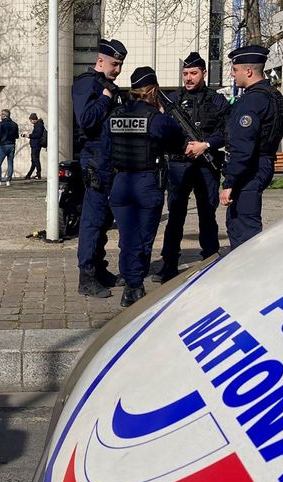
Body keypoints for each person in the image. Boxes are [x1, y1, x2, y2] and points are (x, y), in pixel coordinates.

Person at [108, 66, 186, 307]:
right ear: (153, 91)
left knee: (127, 237)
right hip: (146, 183)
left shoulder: (115, 115)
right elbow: (178, 140)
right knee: (143, 238)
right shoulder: (156, 119)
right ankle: (134, 286)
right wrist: (163, 113)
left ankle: (131, 282)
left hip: (120, 183)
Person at [153, 52, 229, 283]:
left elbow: (226, 132)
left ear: (204, 74)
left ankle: (210, 259)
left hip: (207, 165)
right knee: (176, 214)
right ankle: (169, 264)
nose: (188, 78)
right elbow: (163, 132)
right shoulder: (173, 100)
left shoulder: (217, 101)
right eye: (185, 73)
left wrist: (205, 145)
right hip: (179, 164)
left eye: (193, 73)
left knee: (207, 214)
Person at [218, 45, 283, 250]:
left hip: (249, 169)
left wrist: (229, 182)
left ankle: (247, 276)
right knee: (242, 223)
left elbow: (242, 147)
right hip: (262, 163)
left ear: (248, 71)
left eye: (235, 69)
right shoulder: (273, 96)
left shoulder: (251, 101)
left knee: (243, 228)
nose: (232, 74)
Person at [73, 38, 127, 298]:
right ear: (100, 60)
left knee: (105, 221)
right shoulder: (87, 84)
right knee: (93, 222)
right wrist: (105, 99)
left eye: (120, 65)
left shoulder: (111, 88)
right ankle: (87, 277)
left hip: (111, 162)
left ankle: (100, 267)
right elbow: (86, 121)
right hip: (95, 161)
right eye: (114, 64)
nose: (117, 70)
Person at [0, 109, 19, 186]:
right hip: (12, 145)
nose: (0, 116)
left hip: (4, 145)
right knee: (10, 162)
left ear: (4, 115)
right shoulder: (15, 124)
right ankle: (8, 180)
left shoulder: (1, 124)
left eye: (1, 115)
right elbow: (16, 136)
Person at [23, 113, 46, 179]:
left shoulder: (39, 125)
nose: (30, 122)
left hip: (36, 145)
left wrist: (29, 135)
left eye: (30, 120)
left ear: (33, 119)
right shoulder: (38, 125)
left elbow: (38, 135)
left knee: (35, 159)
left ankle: (38, 174)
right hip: (35, 145)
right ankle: (29, 174)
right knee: (34, 160)